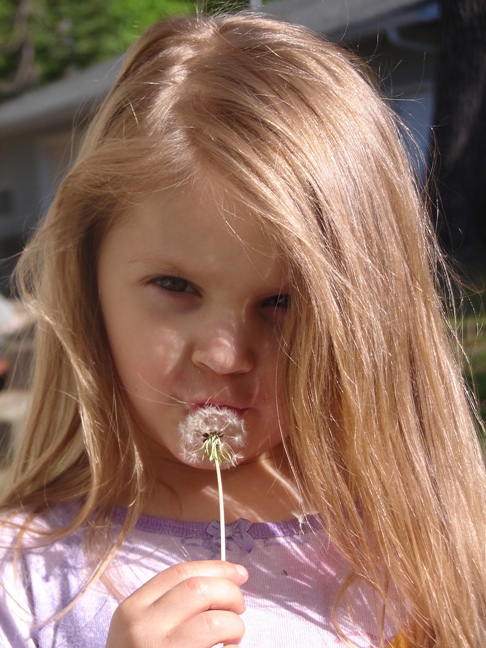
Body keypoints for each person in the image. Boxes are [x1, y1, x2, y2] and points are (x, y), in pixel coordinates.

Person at [0, 11, 484, 648]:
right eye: (176, 287)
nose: (227, 354)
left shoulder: (431, 547)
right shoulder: (28, 577)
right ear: (90, 279)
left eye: (282, 302)